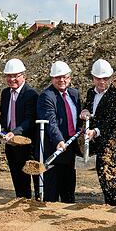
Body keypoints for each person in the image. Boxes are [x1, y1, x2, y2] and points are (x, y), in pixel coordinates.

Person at [81, 59, 116, 206]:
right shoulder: (90, 93)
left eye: (105, 79)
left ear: (111, 78)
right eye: (98, 79)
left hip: (113, 145)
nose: (102, 82)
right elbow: (91, 110)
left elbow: (113, 120)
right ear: (93, 78)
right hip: (99, 145)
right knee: (104, 178)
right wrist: (85, 110)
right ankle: (108, 205)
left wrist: (96, 131)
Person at [37, 61, 81, 203]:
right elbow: (51, 122)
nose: (61, 80)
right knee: (52, 194)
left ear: (69, 77)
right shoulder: (47, 96)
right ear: (52, 78)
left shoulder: (74, 94)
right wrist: (59, 140)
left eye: (64, 77)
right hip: (54, 149)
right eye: (57, 77)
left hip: (70, 148)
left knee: (68, 191)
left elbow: (77, 118)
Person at [0, 58, 39, 199]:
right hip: (11, 145)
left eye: (16, 76)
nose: (12, 79)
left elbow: (29, 120)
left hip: (28, 145)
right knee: (18, 181)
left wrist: (14, 132)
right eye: (9, 76)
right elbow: (4, 117)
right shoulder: (5, 94)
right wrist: (1, 131)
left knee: (35, 181)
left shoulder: (31, 94)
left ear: (24, 76)